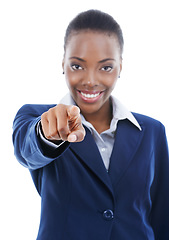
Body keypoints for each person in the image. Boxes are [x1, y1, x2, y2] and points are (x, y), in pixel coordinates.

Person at [12, 9, 169, 240]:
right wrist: (47, 134)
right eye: (77, 66)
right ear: (63, 63)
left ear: (120, 68)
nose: (90, 81)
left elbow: (162, 216)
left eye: (105, 67)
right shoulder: (36, 116)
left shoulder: (153, 131)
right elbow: (28, 151)